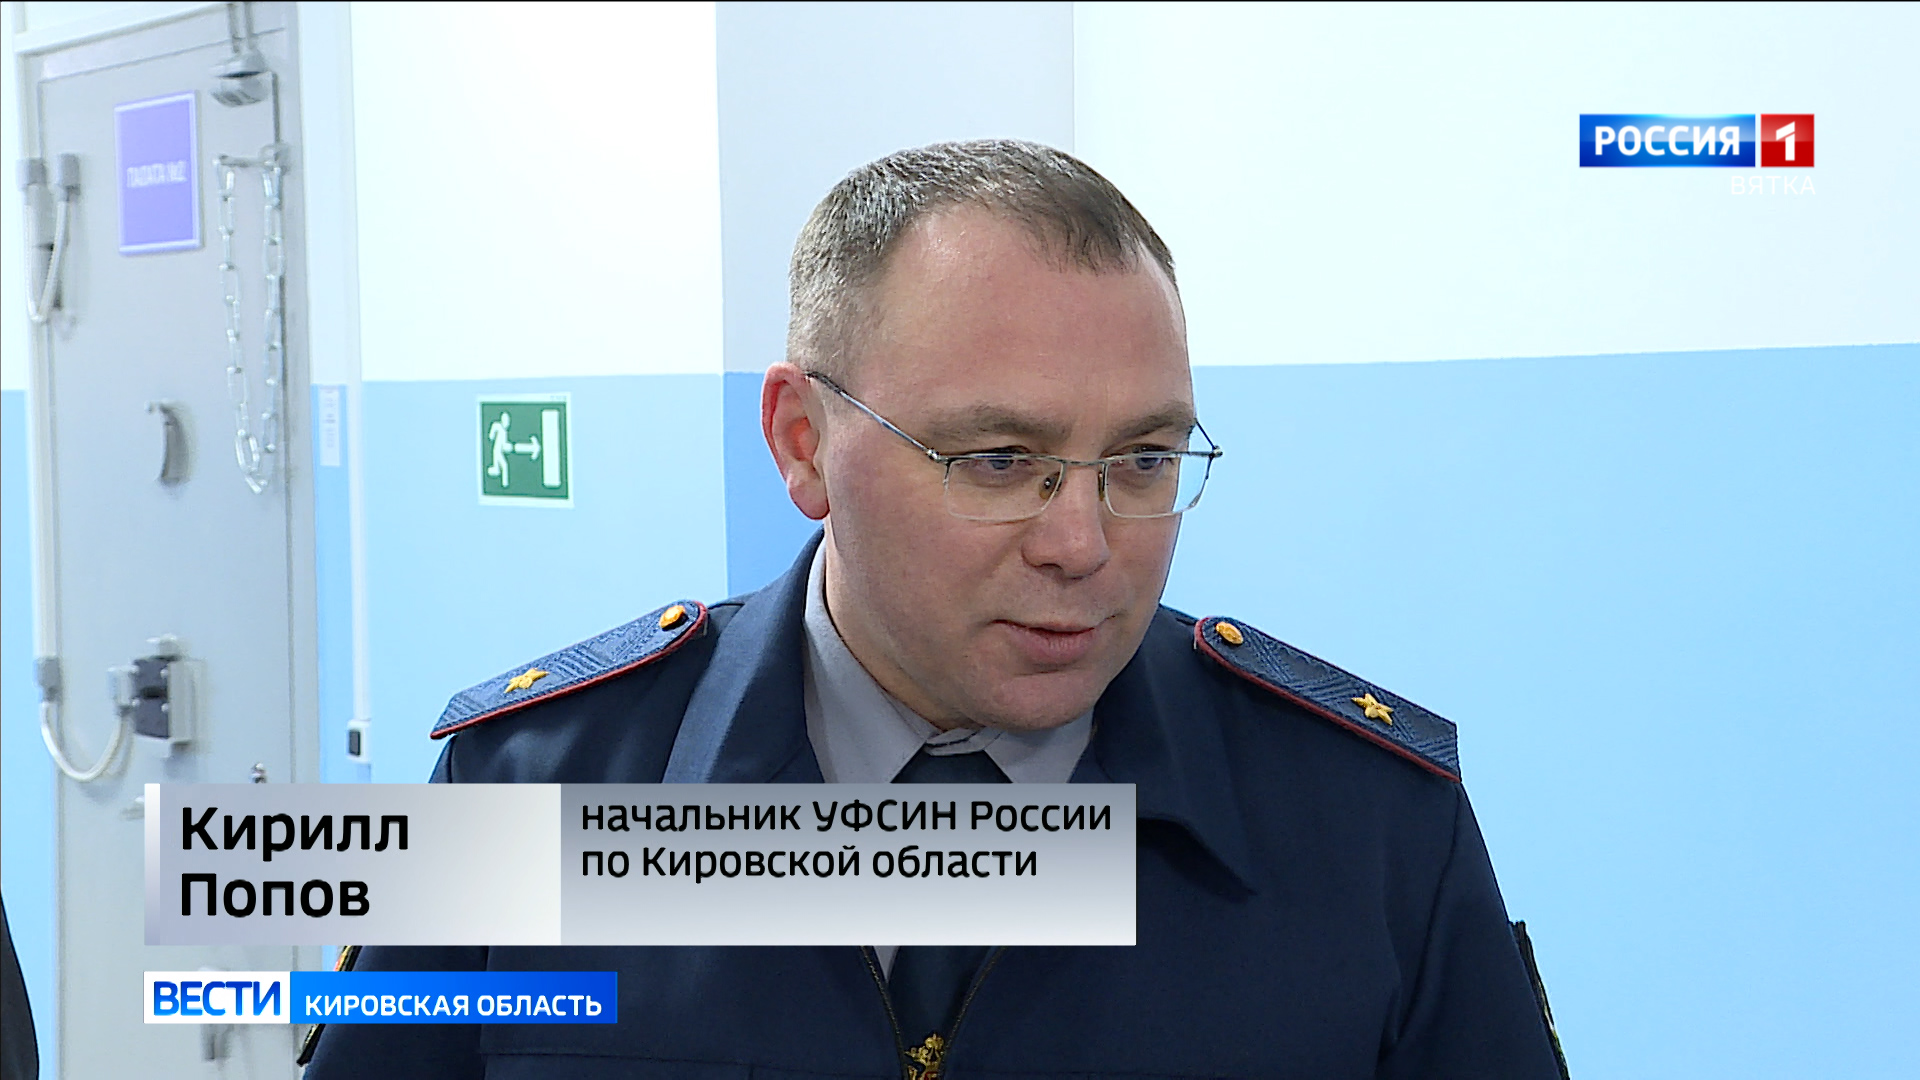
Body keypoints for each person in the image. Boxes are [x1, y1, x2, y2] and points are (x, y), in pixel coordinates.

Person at [303, 140, 1567, 1079]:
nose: (1085, 545)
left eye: (1143, 460)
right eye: (999, 461)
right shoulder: (529, 789)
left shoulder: (1370, 828)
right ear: (803, 443)